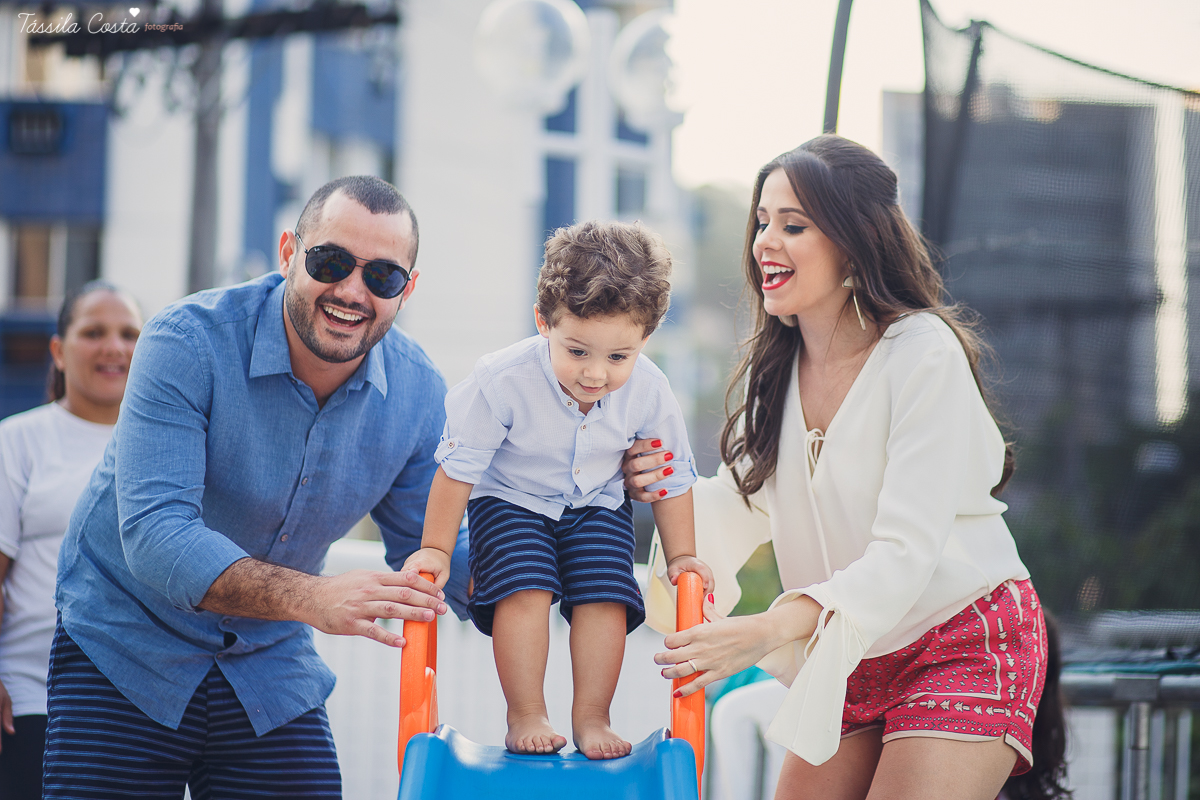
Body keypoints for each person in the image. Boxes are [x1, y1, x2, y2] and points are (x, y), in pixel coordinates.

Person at [625, 136, 1069, 800]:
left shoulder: (922, 353)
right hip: (848, 650)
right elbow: (733, 503)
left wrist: (770, 628)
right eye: (762, 221)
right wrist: (661, 484)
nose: (765, 241)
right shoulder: (770, 376)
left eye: (793, 224)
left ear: (855, 243)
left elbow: (905, 552)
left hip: (960, 640)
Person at [43, 176, 470, 799]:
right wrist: (318, 600)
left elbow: (438, 553)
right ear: (287, 252)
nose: (352, 291)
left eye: (382, 276)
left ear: (407, 289)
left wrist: (588, 540)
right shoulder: (184, 340)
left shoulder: (419, 393)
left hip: (267, 665)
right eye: (330, 262)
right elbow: (159, 535)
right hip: (125, 647)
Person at [404, 221, 713, 760]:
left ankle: (593, 717)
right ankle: (526, 714)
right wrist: (435, 547)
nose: (596, 373)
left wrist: (682, 557)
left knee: (606, 598)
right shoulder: (501, 380)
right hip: (512, 501)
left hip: (597, 502)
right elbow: (459, 469)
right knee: (525, 589)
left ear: (646, 338)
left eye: (618, 356)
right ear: (544, 322)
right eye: (577, 351)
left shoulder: (651, 389)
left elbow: (672, 476)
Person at [0, 282, 142, 800]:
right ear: (59, 350)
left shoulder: (168, 445)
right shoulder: (17, 441)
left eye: (129, 334)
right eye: (94, 332)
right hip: (33, 701)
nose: (114, 347)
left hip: (143, 707)